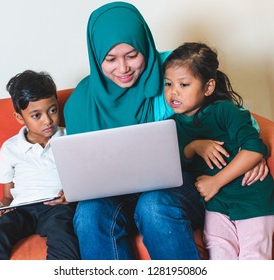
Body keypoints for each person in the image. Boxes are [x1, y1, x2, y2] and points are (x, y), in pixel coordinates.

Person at [64, 2, 268, 260]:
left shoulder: (171, 71)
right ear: (95, 56)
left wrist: (251, 153)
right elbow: (80, 168)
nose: (123, 68)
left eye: (132, 55)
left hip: (179, 187)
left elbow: (226, 111)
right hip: (116, 196)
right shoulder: (81, 102)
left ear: (145, 45)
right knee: (89, 212)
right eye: (110, 59)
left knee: (154, 205)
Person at [163, 42, 274, 259]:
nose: (173, 92)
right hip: (216, 205)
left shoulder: (225, 110)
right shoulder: (170, 125)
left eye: (184, 84)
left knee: (254, 259)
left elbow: (254, 149)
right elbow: (171, 165)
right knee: (221, 259)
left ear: (208, 87)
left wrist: (216, 181)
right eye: (168, 84)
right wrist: (193, 147)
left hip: (251, 198)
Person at [0, 70, 80, 260]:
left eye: (52, 110)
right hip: (22, 210)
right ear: (20, 118)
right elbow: (7, 196)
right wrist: (1, 208)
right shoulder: (10, 148)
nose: (48, 120)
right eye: (36, 115)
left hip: (57, 208)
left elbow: (83, 179)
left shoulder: (71, 137)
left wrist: (71, 194)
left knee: (64, 236)